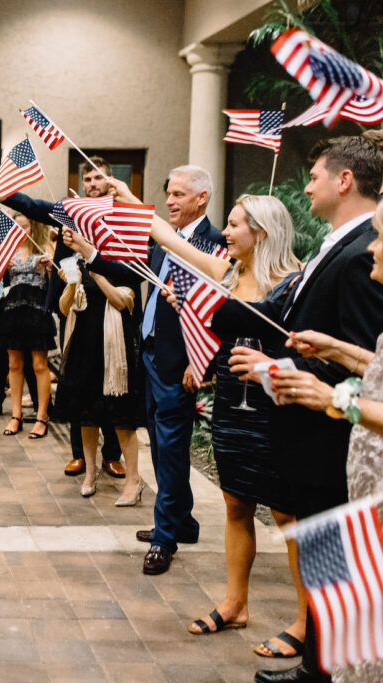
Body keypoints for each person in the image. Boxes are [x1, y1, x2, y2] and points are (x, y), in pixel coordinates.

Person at [109, 177, 308, 655]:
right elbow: (169, 238)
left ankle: (306, 620)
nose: (225, 233)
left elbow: (305, 348)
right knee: (236, 505)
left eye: (235, 224)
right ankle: (235, 603)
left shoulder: (294, 283)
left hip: (276, 410)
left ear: (261, 231)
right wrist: (132, 200)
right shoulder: (224, 273)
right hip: (231, 407)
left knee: (286, 514)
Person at [216, 133, 383, 683]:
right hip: (307, 436)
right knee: (320, 556)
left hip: (330, 441)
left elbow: (372, 371)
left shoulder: (364, 253)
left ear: (344, 180)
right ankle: (319, 665)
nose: (305, 185)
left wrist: (289, 375)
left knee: (335, 564)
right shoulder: (339, 242)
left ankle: (323, 669)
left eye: (314, 175)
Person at [90, 165, 226, 574]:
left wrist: (200, 362)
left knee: (170, 449)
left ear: (202, 198)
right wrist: (91, 250)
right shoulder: (164, 236)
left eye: (179, 195)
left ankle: (165, 537)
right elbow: (134, 255)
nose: (169, 201)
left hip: (179, 362)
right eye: (168, 194)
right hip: (149, 351)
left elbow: (218, 310)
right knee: (162, 444)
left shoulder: (214, 244)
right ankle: (182, 521)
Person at [0, 166, 126, 476]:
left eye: (99, 178)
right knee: (76, 380)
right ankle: (79, 454)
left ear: (111, 183)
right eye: (88, 179)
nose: (92, 183)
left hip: (110, 306)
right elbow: (28, 204)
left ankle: (112, 454)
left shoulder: (122, 216)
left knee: (110, 382)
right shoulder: (69, 211)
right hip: (74, 306)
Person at [55, 228, 145, 505]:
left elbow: (122, 302)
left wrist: (97, 274)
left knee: (121, 419)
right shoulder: (77, 266)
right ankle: (90, 473)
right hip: (85, 346)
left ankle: (133, 481)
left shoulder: (121, 265)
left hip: (113, 352)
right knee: (86, 415)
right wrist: (71, 283)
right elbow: (63, 308)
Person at [0, 213, 53, 439]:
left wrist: (48, 265)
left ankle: (41, 416)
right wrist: (1, 267)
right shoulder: (7, 249)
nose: (20, 230)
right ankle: (16, 415)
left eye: (25, 226)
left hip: (37, 309)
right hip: (13, 309)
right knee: (14, 363)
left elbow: (56, 276)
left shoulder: (44, 245)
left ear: (32, 226)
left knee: (39, 364)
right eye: (17, 226)